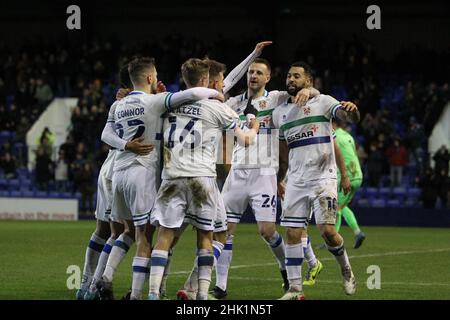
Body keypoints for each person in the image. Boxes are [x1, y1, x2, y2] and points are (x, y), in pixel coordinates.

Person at [97, 57, 225, 300]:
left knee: (125, 232)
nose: (157, 78)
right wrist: (214, 93)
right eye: (155, 74)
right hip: (144, 172)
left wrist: (125, 144)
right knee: (144, 236)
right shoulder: (155, 101)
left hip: (118, 173)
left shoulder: (119, 104)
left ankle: (103, 278)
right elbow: (191, 93)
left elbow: (105, 134)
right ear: (149, 78)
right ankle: (137, 295)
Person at [148, 58, 259, 300]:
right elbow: (246, 141)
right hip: (202, 178)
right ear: (206, 81)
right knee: (206, 236)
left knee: (166, 236)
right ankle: (200, 295)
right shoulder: (219, 108)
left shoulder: (167, 103)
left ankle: (154, 292)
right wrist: (255, 125)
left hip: (171, 176)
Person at [208, 57, 319, 299]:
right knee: (225, 230)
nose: (253, 76)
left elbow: (309, 92)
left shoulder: (276, 98)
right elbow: (215, 91)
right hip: (238, 171)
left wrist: (309, 89)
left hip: (264, 173)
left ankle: (285, 269)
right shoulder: (234, 103)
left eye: (259, 72)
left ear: (268, 78)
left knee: (267, 230)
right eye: (251, 72)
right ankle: (221, 286)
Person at [273, 61, 360, 299]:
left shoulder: (323, 102)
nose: (291, 80)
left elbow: (347, 117)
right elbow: (283, 155)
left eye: (297, 76)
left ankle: (346, 269)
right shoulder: (280, 113)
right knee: (292, 232)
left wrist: (352, 110)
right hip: (296, 181)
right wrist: (280, 179)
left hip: (323, 178)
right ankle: (295, 289)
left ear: (308, 81)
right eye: (289, 76)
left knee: (327, 232)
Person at [332, 119, 366, 248]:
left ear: (334, 124)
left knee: (336, 208)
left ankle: (333, 238)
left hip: (347, 177)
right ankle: (358, 233)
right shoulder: (347, 135)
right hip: (357, 175)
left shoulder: (335, 136)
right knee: (342, 206)